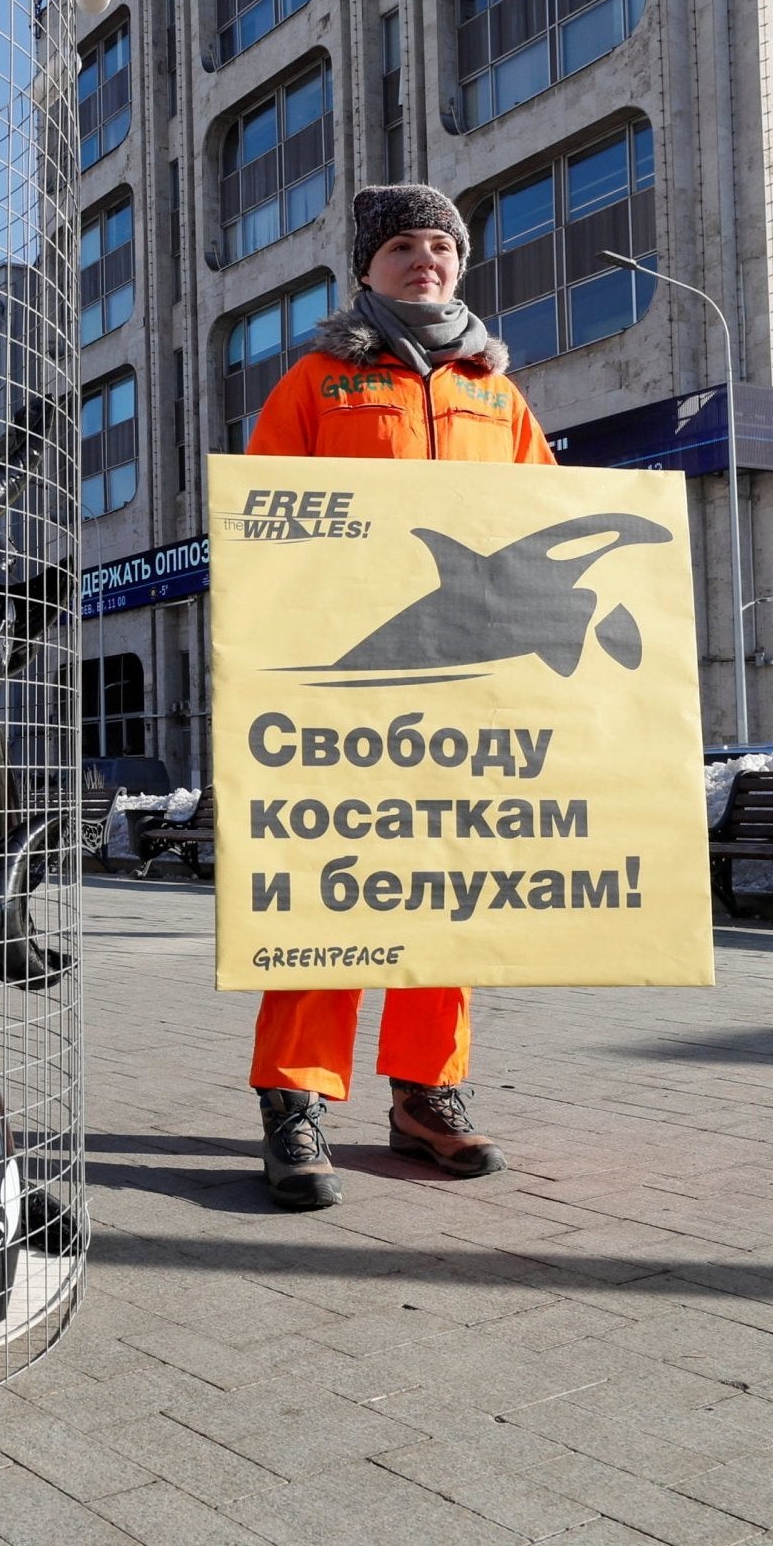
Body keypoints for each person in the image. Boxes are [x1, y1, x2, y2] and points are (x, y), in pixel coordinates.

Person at [242, 184, 556, 1211]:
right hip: (346, 683)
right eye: (405, 247)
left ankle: (426, 1092)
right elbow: (263, 524)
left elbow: (542, 522)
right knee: (334, 888)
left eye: (441, 246)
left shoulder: (497, 396)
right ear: (365, 267)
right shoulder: (317, 380)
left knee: (449, 890)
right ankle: (292, 1101)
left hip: (466, 690)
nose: (426, 260)